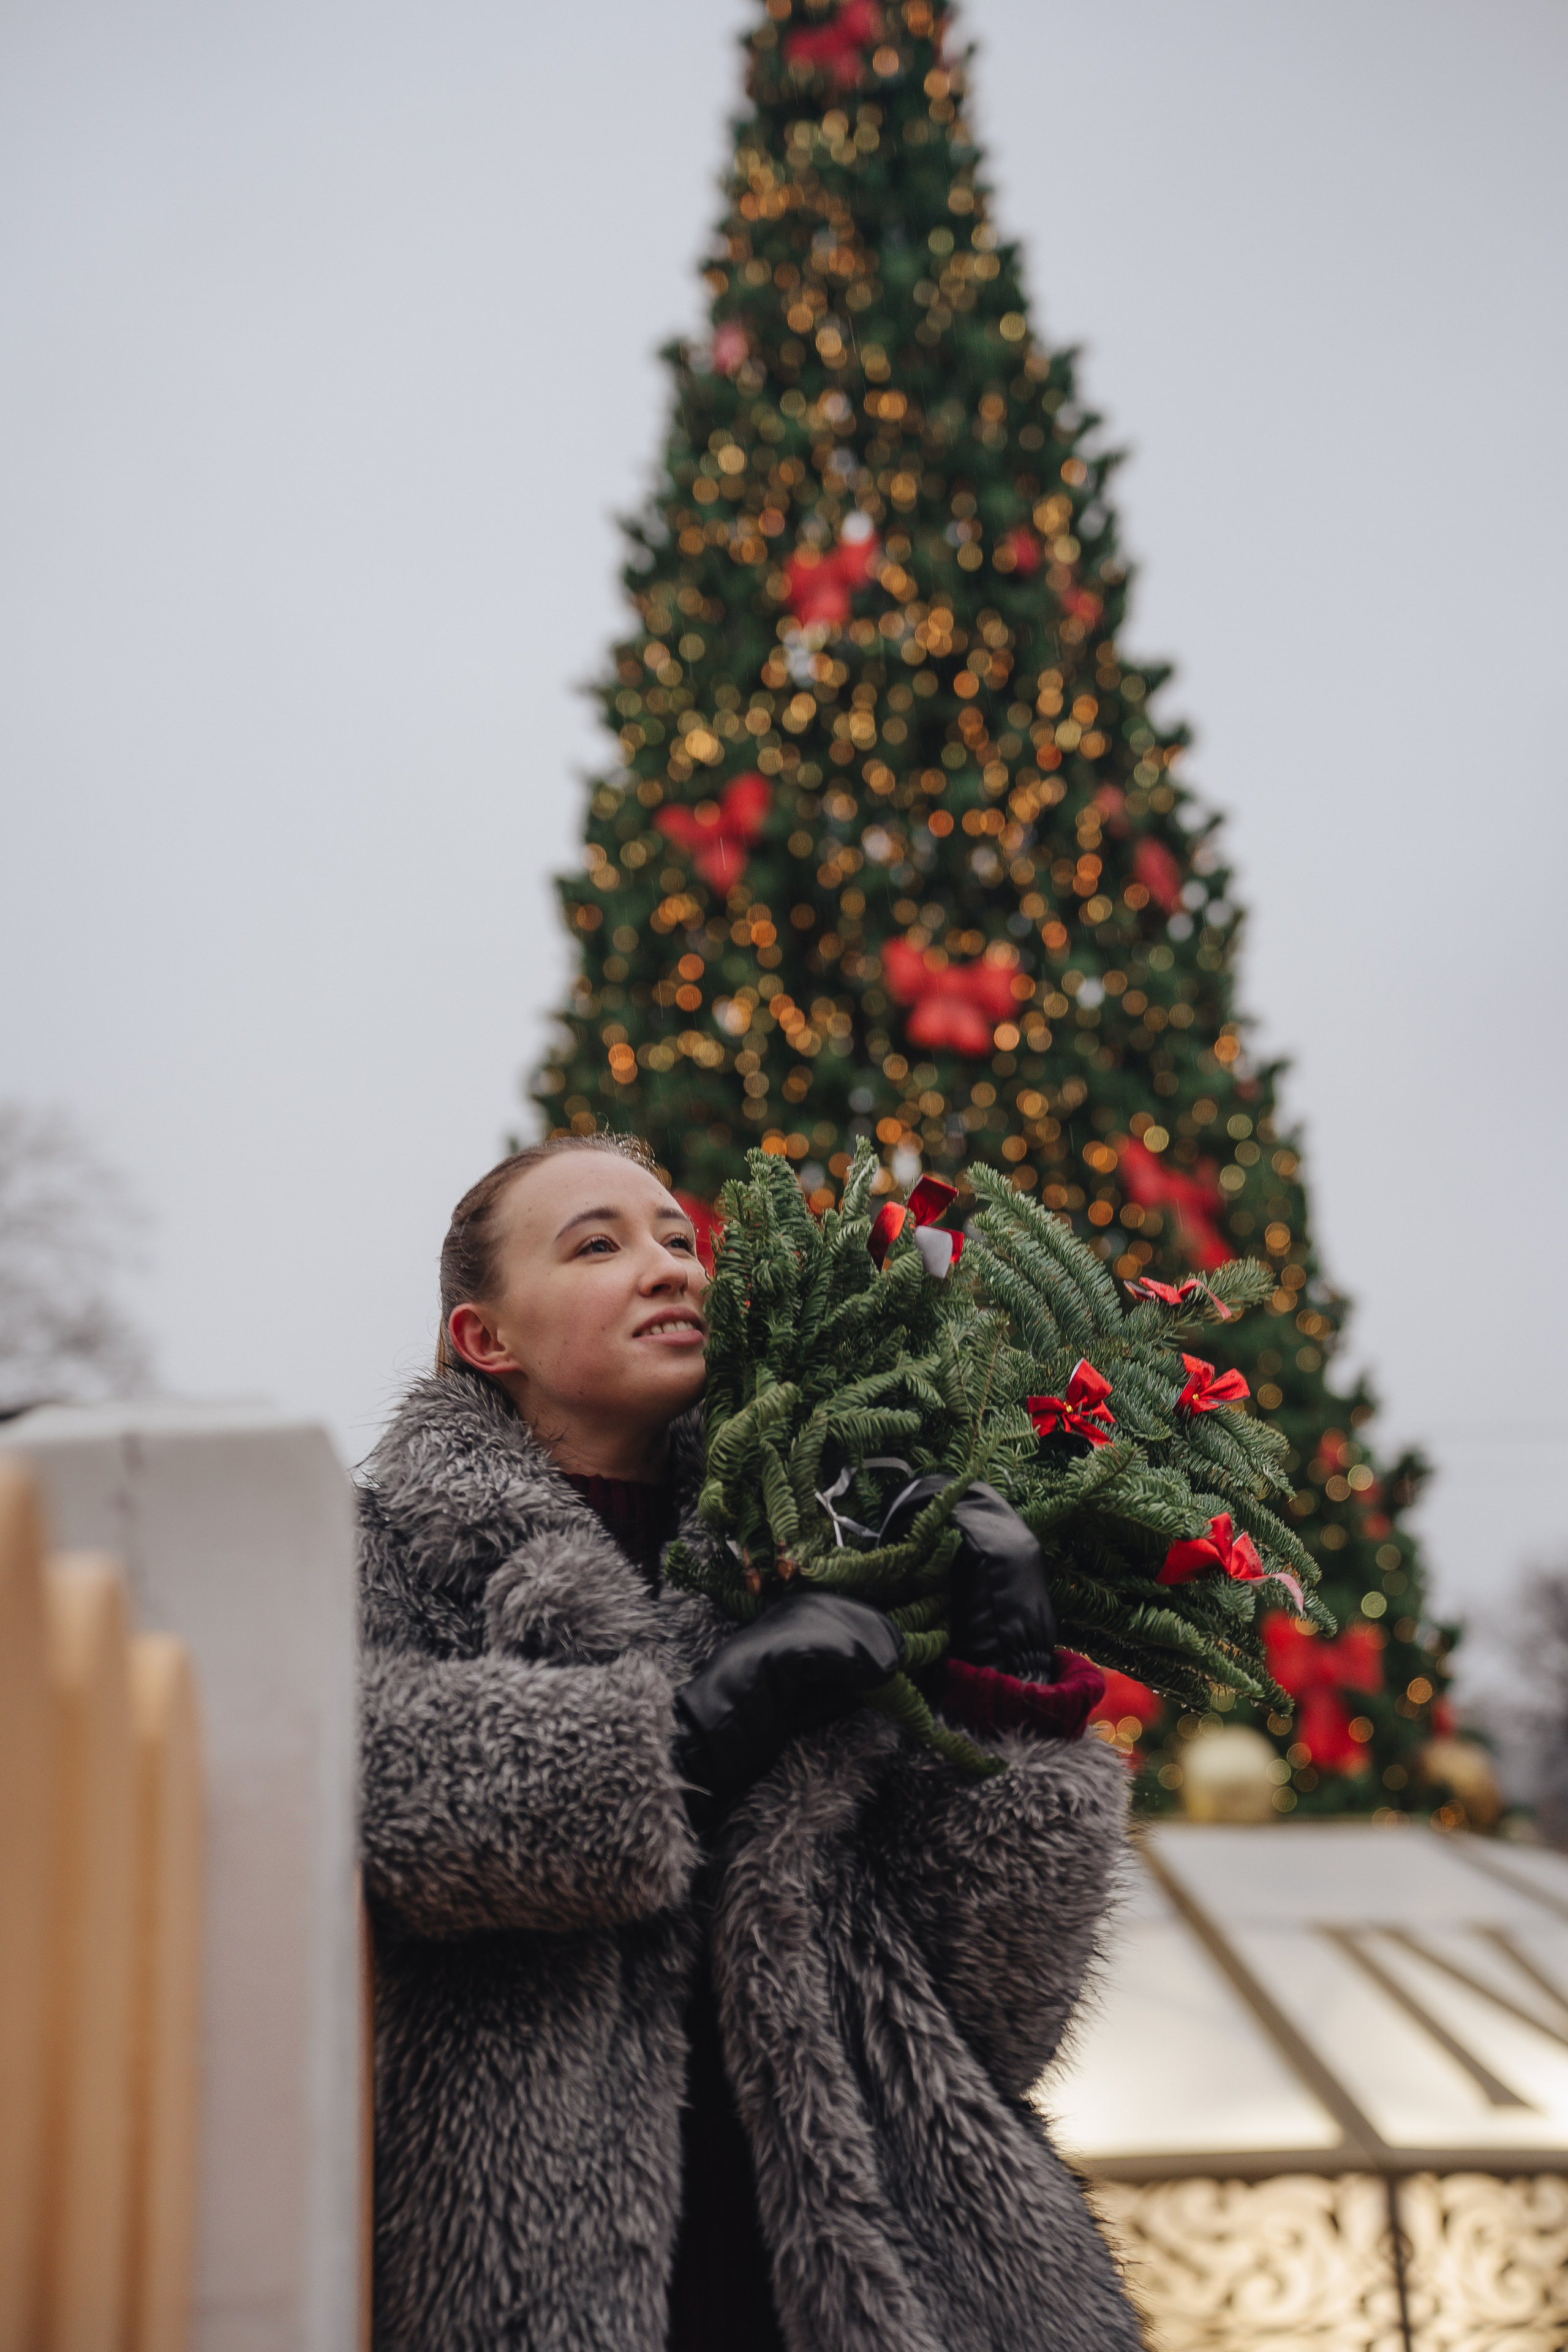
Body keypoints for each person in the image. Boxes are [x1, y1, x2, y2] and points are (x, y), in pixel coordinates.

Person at [358, 1133, 1141, 2352]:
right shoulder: (378, 1552)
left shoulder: (832, 1540)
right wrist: (686, 1737)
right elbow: (360, 1788)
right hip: (543, 2290)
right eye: (598, 1244)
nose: (671, 1266)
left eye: (679, 1239)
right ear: (485, 1337)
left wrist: (1012, 1696)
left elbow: (1000, 2012)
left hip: (924, 2298)